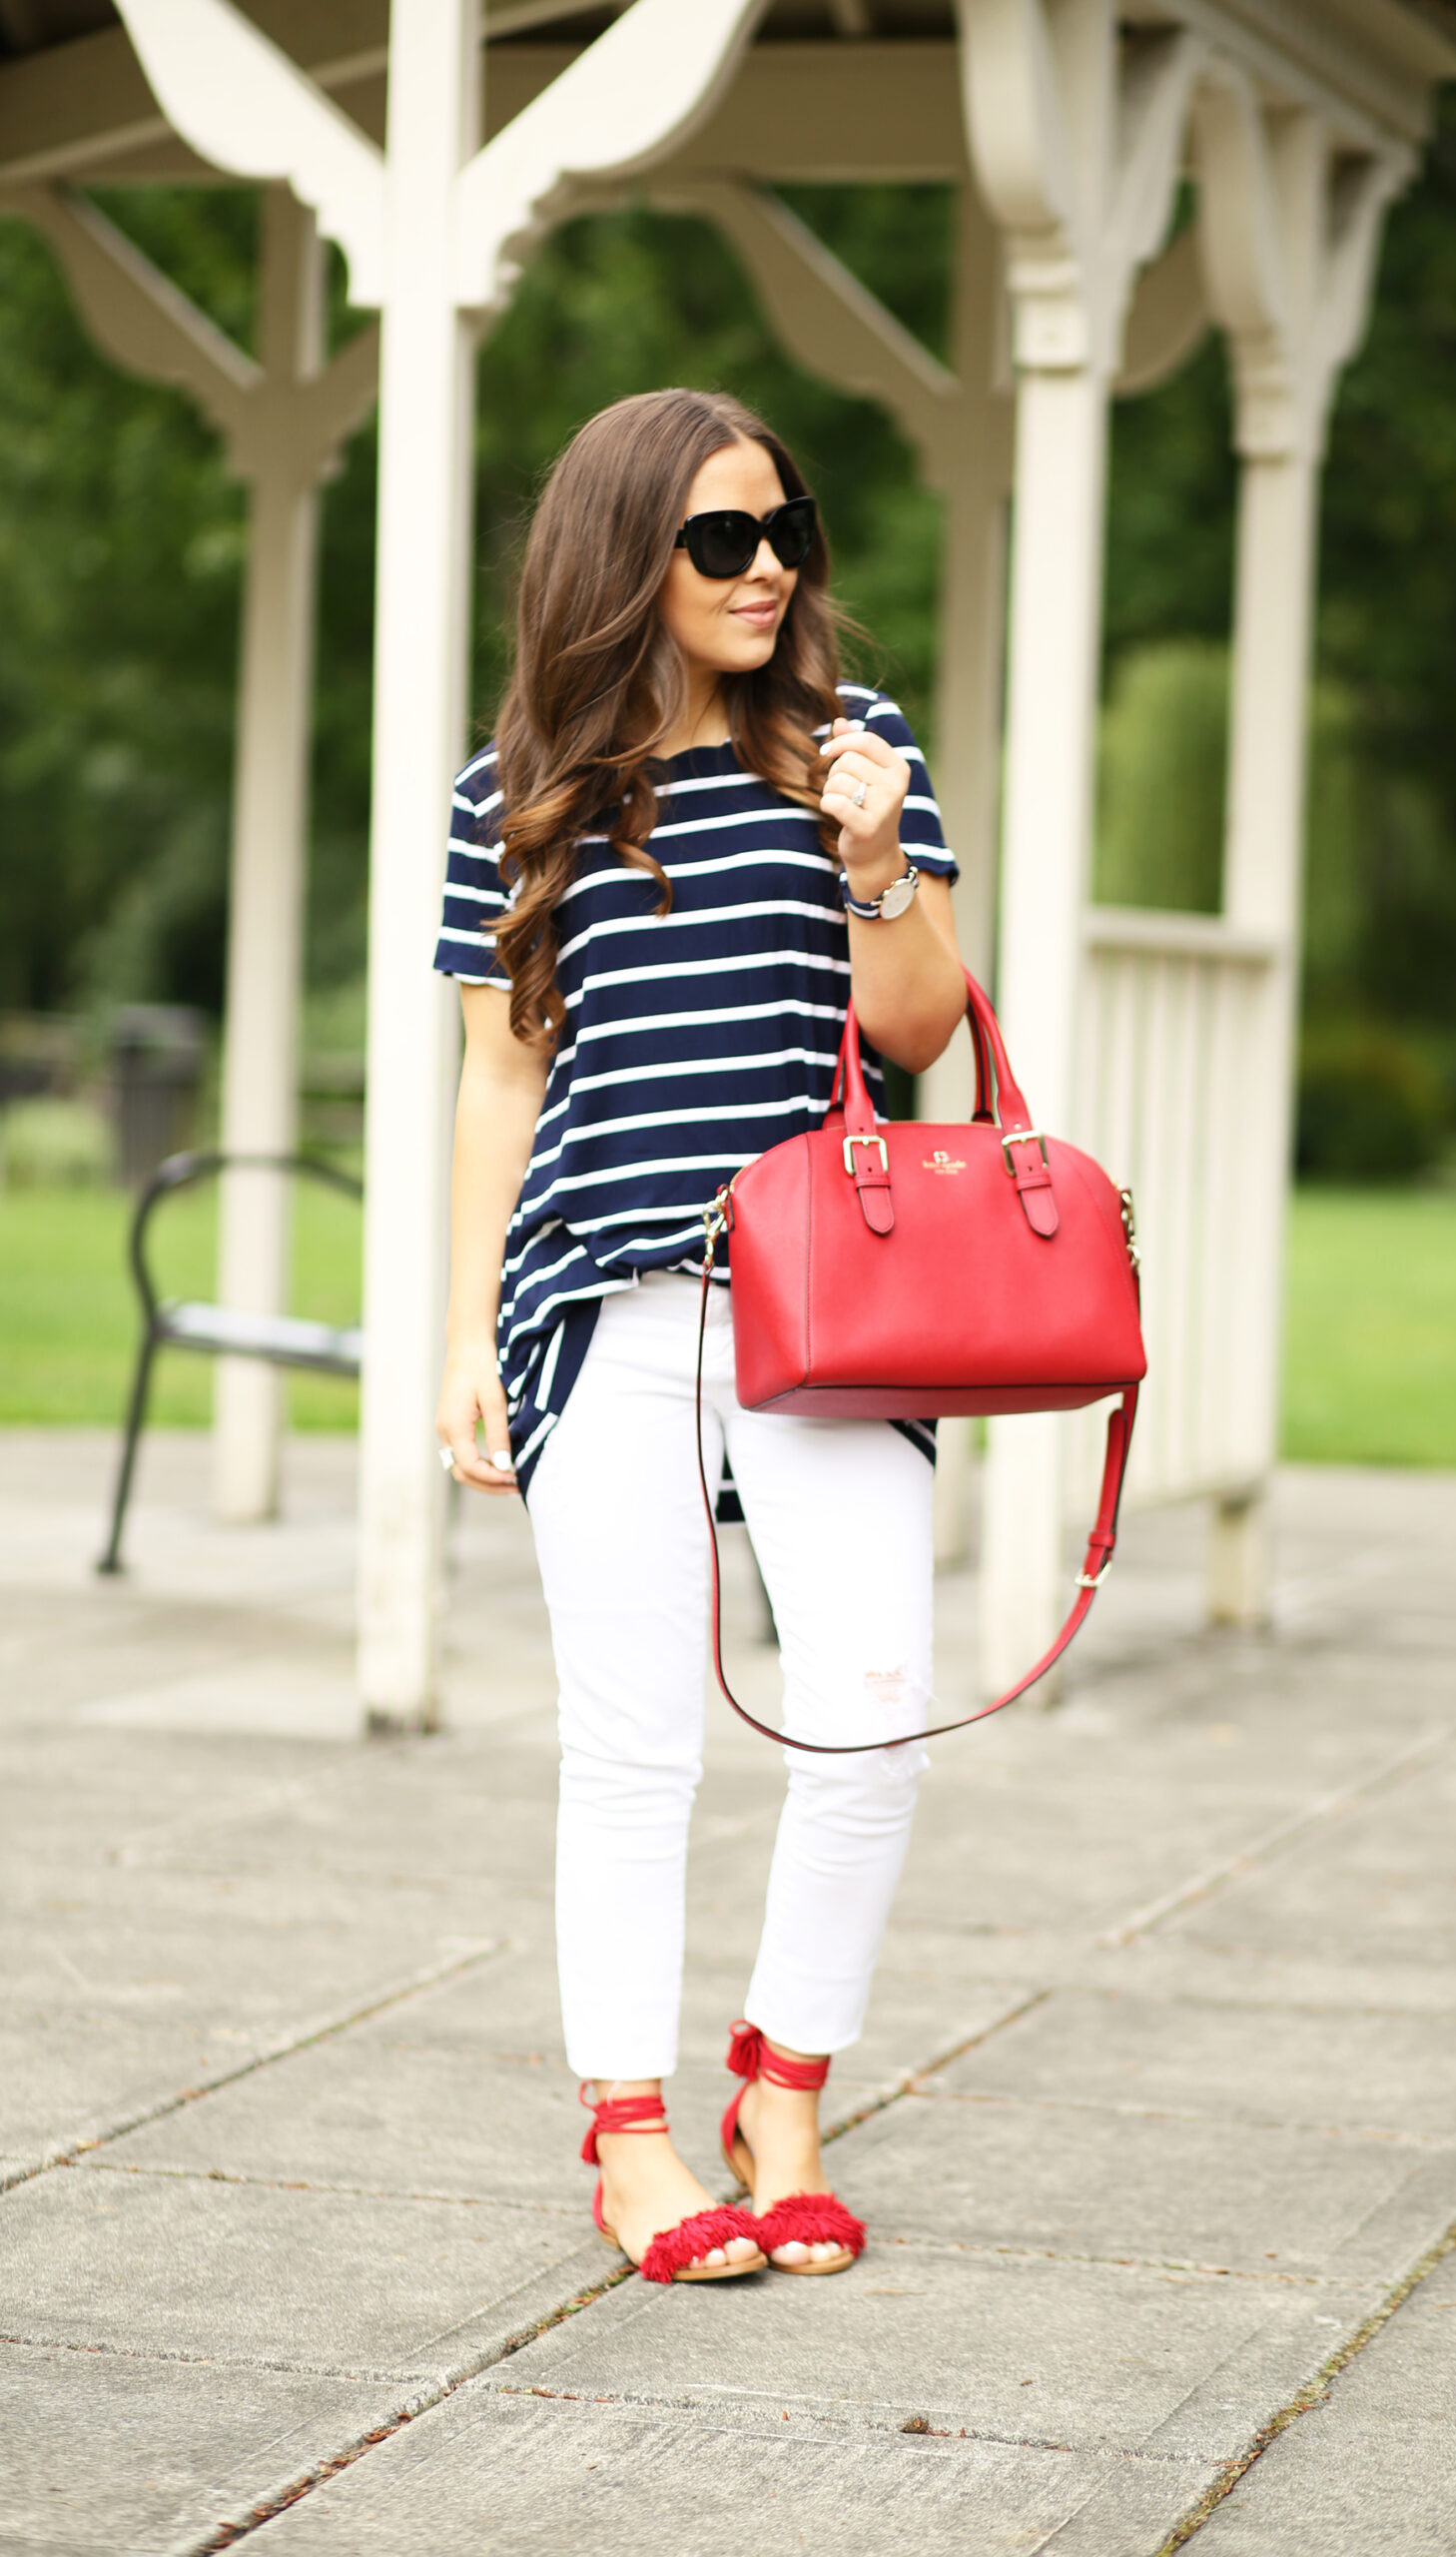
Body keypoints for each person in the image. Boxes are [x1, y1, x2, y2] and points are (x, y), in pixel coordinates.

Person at [432, 388, 966, 2284]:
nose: (768, 569)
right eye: (720, 539)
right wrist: (461, 1329)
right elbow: (505, 1083)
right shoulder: (514, 795)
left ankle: (784, 2088)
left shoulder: (853, 750)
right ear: (621, 559)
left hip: (831, 1311)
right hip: (601, 1300)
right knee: (634, 1743)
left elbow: (918, 1032)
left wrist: (879, 859)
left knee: (876, 1717)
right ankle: (633, 2138)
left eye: (784, 530)